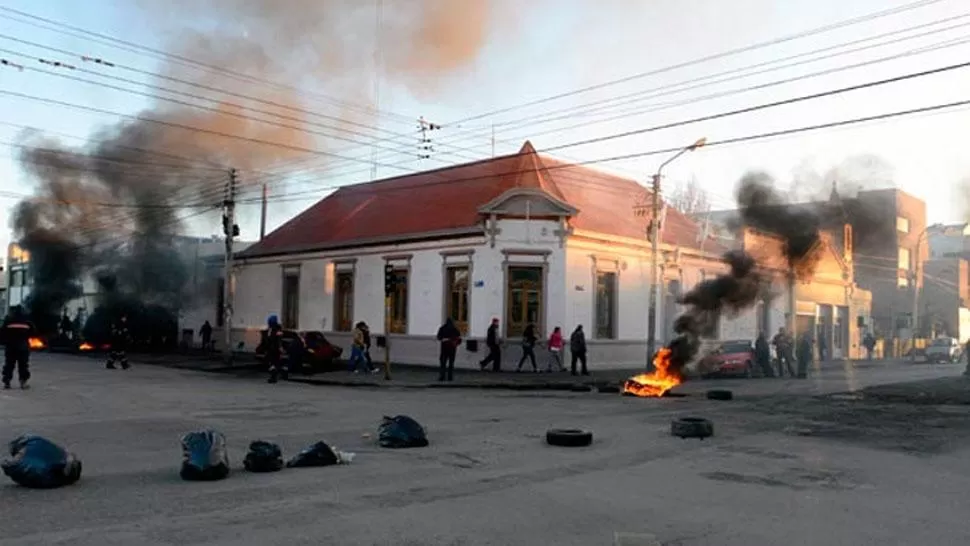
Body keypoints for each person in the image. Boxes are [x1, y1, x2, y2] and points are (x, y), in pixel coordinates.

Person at [1, 306, 35, 389]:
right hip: (23, 348)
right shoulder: (27, 321)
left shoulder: (8, 320)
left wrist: (5, 342)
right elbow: (33, 332)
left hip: (10, 347)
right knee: (23, 365)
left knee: (9, 365)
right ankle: (23, 382)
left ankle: (7, 382)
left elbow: (2, 332)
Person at [264, 314, 287, 383]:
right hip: (271, 349)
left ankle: (274, 377)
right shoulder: (270, 329)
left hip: (275, 349)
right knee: (273, 363)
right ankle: (278, 374)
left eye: (270, 322)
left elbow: (279, 339)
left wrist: (280, 347)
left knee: (274, 363)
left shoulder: (278, 329)